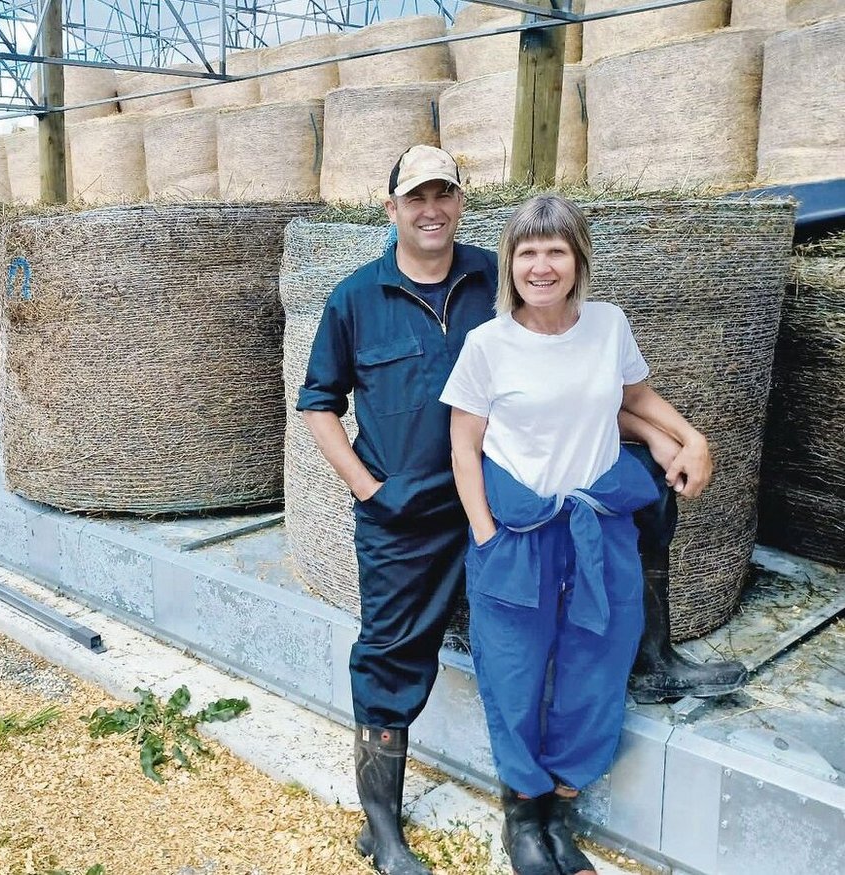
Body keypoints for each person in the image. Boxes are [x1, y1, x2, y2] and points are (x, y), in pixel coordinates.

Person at [296, 148, 741, 875]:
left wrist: (674, 437)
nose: (431, 209)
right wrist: (368, 487)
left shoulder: (496, 279)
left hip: (507, 499)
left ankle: (652, 660)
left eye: (444, 194)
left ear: (462, 204)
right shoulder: (356, 297)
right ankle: (382, 826)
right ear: (391, 210)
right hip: (409, 507)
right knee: (391, 651)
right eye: (416, 198)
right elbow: (318, 402)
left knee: (639, 513)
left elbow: (578, 394)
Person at [441, 194, 715, 875]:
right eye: (527, 251)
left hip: (597, 525)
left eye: (555, 250)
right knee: (512, 668)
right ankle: (524, 816)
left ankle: (560, 807)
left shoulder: (607, 325)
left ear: (578, 259)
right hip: (519, 531)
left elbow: (636, 399)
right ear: (511, 264)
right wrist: (484, 534)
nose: (541, 265)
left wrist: (691, 436)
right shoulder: (488, 344)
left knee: (599, 657)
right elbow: (463, 446)